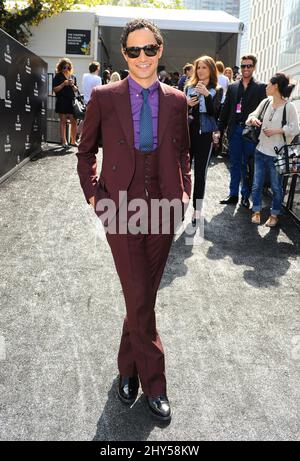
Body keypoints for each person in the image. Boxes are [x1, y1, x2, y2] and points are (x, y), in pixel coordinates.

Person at [76, 18, 191, 422]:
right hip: (119, 207)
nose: (142, 57)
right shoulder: (105, 97)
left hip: (164, 209)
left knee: (141, 299)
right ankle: (154, 383)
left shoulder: (178, 100)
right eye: (133, 50)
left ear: (159, 50)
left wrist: (185, 190)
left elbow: (183, 152)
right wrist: (94, 195)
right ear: (124, 55)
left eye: (149, 49)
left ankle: (127, 369)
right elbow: (85, 151)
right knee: (139, 294)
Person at [246, 73, 299, 227]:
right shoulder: (266, 102)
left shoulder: (289, 107)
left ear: (276, 86)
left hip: (277, 154)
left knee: (276, 187)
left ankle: (274, 214)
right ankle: (256, 211)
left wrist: (277, 130)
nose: (266, 87)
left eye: (269, 84)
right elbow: (251, 115)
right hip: (260, 150)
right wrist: (253, 119)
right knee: (256, 184)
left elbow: (295, 128)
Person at [218, 54, 266, 207]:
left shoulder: (261, 88)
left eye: (249, 66)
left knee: (247, 164)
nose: (246, 68)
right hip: (235, 131)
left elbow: (264, 112)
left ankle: (245, 195)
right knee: (234, 163)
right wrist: (219, 130)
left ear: (254, 67)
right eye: (243, 65)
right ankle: (233, 195)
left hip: (250, 133)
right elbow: (225, 111)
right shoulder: (232, 87)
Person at [185, 56, 223, 225]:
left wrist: (207, 95)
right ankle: (180, 206)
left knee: (200, 174)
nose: (200, 70)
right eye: (198, 67)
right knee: (183, 173)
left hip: (205, 136)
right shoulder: (188, 86)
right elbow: (181, 111)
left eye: (204, 68)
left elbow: (214, 112)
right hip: (187, 134)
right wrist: (186, 104)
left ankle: (197, 210)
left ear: (211, 70)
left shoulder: (217, 89)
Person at [53, 58, 78, 147]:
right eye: (64, 67)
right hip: (62, 100)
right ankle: (64, 141)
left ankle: (73, 141)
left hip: (71, 101)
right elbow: (55, 89)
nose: (66, 69)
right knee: (63, 121)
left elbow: (76, 90)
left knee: (74, 121)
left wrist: (72, 85)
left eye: (68, 67)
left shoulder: (73, 76)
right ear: (60, 67)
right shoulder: (58, 76)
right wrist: (63, 84)